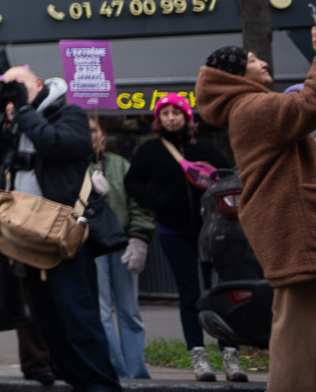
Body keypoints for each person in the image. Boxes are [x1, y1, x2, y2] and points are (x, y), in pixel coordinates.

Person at [0, 66, 122, 392]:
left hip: (64, 236)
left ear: (39, 85)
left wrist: (23, 110)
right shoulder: (15, 123)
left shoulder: (68, 114)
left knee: (78, 317)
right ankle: (76, 380)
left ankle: (101, 385)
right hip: (25, 236)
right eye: (6, 86)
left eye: (19, 84)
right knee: (48, 321)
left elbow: (55, 144)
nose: (12, 90)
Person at [196, 39, 316, 388]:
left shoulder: (248, 106)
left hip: (292, 224)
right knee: (297, 327)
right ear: (234, 74)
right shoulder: (251, 106)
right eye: (251, 60)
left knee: (297, 321)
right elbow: (308, 105)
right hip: (296, 226)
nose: (262, 62)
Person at [124, 93, 238, 380]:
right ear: (158, 119)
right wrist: (158, 201)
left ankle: (230, 355)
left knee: (221, 292)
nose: (171, 118)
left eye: (177, 112)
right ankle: (198, 356)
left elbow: (229, 178)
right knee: (189, 295)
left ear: (188, 117)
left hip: (212, 232)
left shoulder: (206, 148)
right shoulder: (150, 150)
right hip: (174, 233)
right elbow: (132, 182)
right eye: (165, 113)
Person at [90, 119, 153, 380]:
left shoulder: (120, 165)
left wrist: (139, 238)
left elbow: (138, 203)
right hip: (90, 246)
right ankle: (116, 372)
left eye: (93, 130)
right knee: (101, 312)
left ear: (103, 135)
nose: (89, 136)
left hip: (122, 244)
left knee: (129, 311)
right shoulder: (71, 167)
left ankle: (136, 374)